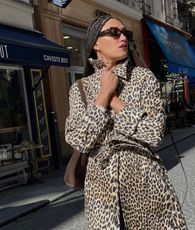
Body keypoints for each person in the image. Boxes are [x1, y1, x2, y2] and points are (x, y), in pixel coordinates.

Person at [65, 15, 187, 230]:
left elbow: (154, 133)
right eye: (114, 32)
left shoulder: (143, 78)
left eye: (126, 33)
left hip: (146, 182)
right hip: (101, 190)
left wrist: (115, 101)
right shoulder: (80, 88)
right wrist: (102, 96)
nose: (123, 37)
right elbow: (78, 140)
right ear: (95, 43)